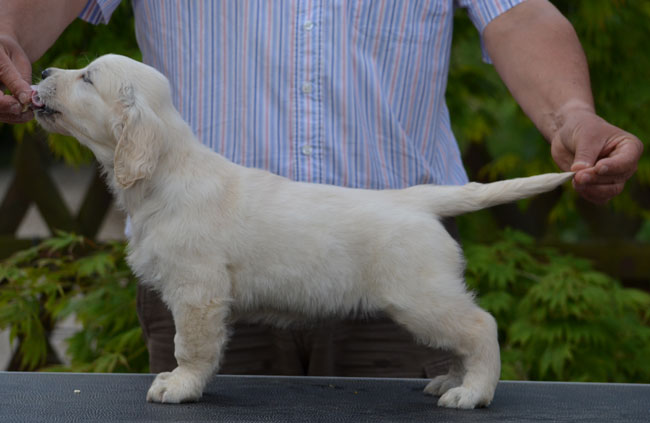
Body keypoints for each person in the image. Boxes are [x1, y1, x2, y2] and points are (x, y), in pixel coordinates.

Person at [0, 0, 643, 377]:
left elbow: (518, 12)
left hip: (383, 249)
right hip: (203, 247)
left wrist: (571, 115)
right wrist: (5, 42)